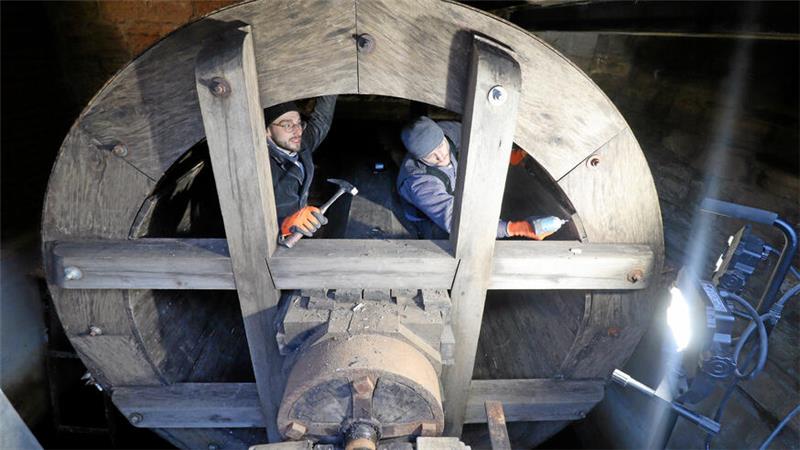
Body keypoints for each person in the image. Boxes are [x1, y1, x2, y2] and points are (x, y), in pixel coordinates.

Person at [396, 116, 563, 240]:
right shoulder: (419, 183)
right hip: (431, 221)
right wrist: (518, 229)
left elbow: (477, 135)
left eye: (440, 146)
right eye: (431, 156)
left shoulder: (447, 132)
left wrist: (505, 153)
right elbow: (458, 222)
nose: (441, 156)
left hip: (453, 191)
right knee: (463, 242)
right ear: (419, 158)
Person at [264, 96, 337, 241]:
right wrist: (285, 225)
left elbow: (321, 122)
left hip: (300, 233)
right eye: (287, 125)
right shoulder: (262, 167)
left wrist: (334, 84)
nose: (297, 131)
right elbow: (252, 214)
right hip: (274, 244)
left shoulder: (299, 145)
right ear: (267, 130)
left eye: (298, 123)